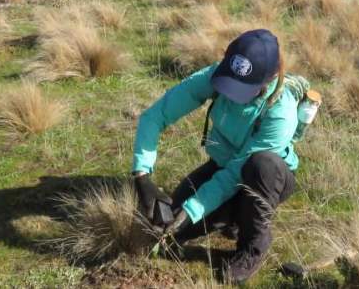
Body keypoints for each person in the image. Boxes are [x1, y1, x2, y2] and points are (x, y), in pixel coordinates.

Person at [131, 29, 319, 284]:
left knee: (261, 165)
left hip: (265, 178)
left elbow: (235, 174)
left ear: (270, 78)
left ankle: (253, 246)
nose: (231, 94)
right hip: (221, 166)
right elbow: (156, 116)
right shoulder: (218, 76)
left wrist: (192, 209)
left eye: (242, 89)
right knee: (169, 226)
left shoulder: (281, 113)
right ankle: (233, 216)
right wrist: (142, 176)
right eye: (230, 84)